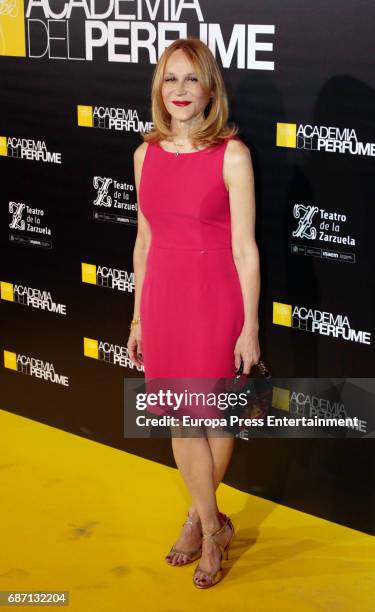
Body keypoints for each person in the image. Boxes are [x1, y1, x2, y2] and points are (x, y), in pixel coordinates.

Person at [127, 36, 260, 589]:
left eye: (191, 78)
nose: (180, 90)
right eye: (170, 78)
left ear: (210, 89)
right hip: (164, 296)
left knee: (213, 415)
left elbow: (246, 249)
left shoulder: (232, 153)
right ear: (159, 88)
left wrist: (250, 325)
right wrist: (137, 317)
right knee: (181, 418)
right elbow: (144, 240)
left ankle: (198, 524)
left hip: (215, 296)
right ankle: (212, 526)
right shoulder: (144, 154)